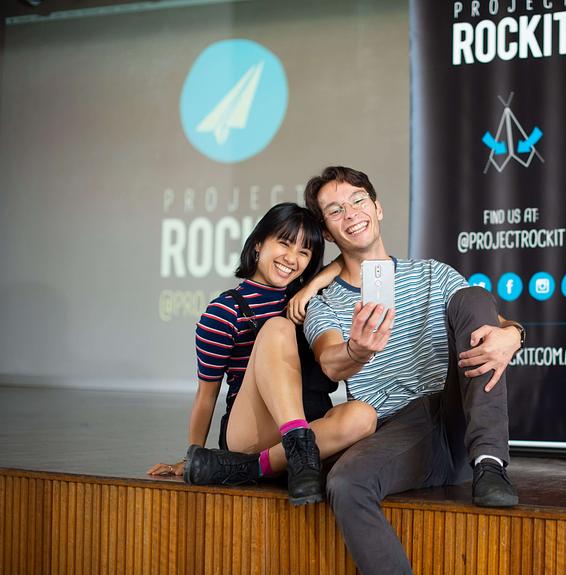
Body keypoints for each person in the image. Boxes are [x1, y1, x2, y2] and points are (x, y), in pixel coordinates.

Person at [302, 166, 524, 574]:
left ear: (377, 208)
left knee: (474, 296)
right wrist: (356, 350)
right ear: (328, 233)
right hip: (398, 433)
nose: (350, 213)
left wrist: (513, 334)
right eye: (335, 210)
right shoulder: (324, 302)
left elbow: (490, 323)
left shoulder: (432, 273)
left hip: (455, 417)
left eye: (357, 200)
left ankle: (490, 463)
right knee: (346, 484)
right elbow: (330, 361)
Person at [147, 202, 377, 505]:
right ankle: (294, 449)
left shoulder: (309, 301)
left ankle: (252, 467)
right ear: (258, 243)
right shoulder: (224, 312)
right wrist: (192, 457)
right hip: (251, 430)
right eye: (284, 243)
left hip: (309, 430)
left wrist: (312, 287)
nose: (291, 258)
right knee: (278, 328)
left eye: (304, 252)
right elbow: (206, 396)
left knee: (364, 416)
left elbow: (350, 261)